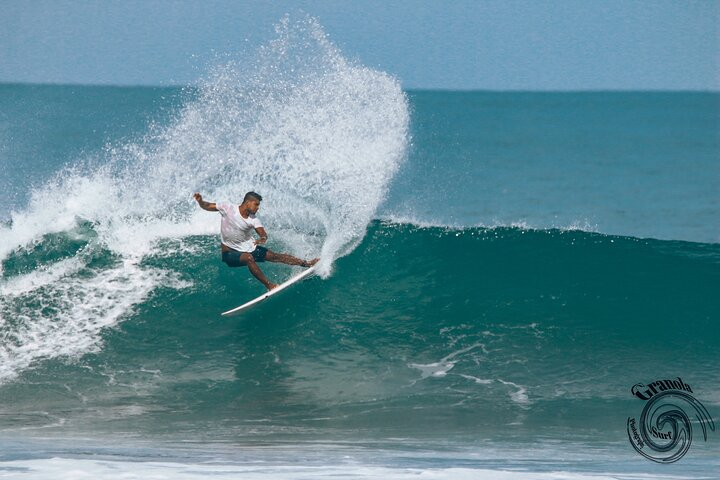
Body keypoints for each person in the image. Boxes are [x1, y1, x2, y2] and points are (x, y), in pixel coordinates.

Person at [194, 191, 318, 290]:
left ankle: (307, 264)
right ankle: (269, 285)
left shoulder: (253, 220)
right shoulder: (228, 207)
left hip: (249, 247)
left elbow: (262, 233)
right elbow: (207, 206)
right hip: (229, 253)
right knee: (248, 258)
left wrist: (262, 238)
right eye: (256, 204)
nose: (258, 208)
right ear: (248, 202)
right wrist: (200, 201)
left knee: (275, 256)